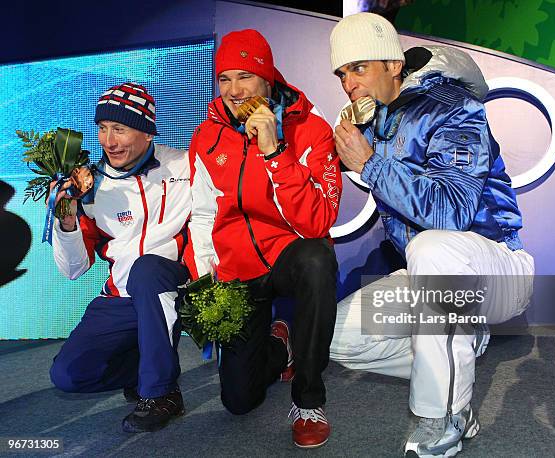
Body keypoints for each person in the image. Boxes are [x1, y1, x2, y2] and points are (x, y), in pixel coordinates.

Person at [329, 13, 534, 457]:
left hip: (497, 271)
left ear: (393, 65)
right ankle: (457, 364)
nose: (349, 83)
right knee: (338, 336)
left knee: (432, 246)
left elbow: (452, 211)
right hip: (433, 278)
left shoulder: (453, 106)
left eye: (359, 67)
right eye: (342, 73)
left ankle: (445, 413)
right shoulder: (375, 124)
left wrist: (371, 164)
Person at [184, 29, 342, 449]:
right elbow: (202, 214)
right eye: (224, 79)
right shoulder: (207, 136)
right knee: (239, 401)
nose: (234, 90)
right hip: (238, 270)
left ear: (267, 80)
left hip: (289, 254)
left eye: (245, 77)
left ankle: (308, 402)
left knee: (316, 259)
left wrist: (274, 152)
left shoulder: (309, 127)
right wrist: (206, 278)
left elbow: (318, 220)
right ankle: (279, 347)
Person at [48, 82, 192, 433]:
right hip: (123, 296)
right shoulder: (89, 187)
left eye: (120, 129)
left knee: (146, 271)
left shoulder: (184, 166)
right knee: (68, 374)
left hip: (176, 283)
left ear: (146, 131)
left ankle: (161, 393)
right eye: (102, 128)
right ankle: (147, 365)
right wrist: (66, 219)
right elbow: (73, 269)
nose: (108, 142)